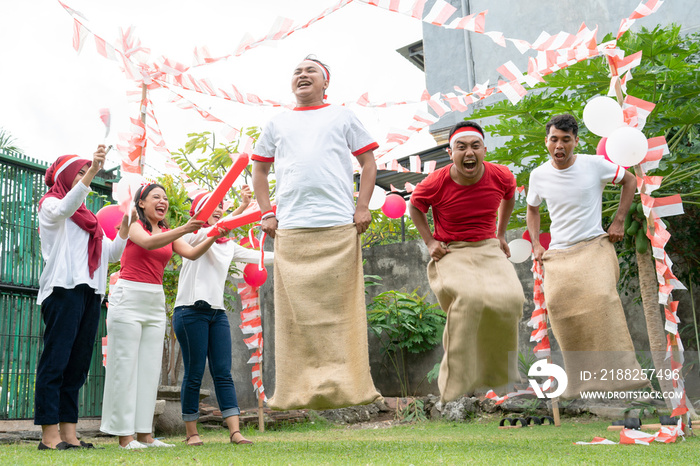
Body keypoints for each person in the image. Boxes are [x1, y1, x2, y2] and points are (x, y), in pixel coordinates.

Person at [251, 56, 381, 410]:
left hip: (339, 224)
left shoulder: (342, 115)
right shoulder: (276, 123)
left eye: (311, 70)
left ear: (326, 82)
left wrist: (362, 205)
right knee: (296, 317)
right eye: (297, 71)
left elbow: (369, 163)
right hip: (291, 229)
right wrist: (267, 212)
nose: (302, 74)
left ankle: (352, 387)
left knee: (343, 313)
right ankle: (294, 392)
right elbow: (259, 171)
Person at [526, 113, 647, 398]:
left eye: (566, 140)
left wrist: (619, 220)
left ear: (576, 141)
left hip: (594, 246)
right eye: (554, 139)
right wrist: (535, 243)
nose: (559, 145)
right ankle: (581, 382)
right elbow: (532, 208)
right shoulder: (538, 174)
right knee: (555, 307)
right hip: (559, 254)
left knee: (602, 298)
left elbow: (629, 180)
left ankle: (622, 375)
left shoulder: (595, 165)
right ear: (546, 142)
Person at [409, 121, 525, 403]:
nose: (469, 152)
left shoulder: (501, 175)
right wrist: (430, 242)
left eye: (475, 146)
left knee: (512, 299)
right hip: (452, 250)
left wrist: (500, 234)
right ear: (451, 152)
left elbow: (509, 197)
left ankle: (502, 381)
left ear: (484, 150)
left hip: (487, 246)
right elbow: (414, 205)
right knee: (470, 300)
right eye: (461, 147)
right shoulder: (436, 181)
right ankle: (452, 391)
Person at [100, 183, 222, 449]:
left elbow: (190, 253)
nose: (162, 201)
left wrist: (214, 234)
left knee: (149, 368)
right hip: (128, 297)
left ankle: (145, 435)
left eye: (165, 198)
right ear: (141, 203)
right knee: (125, 366)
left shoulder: (167, 231)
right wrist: (186, 228)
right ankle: (125, 437)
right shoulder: (133, 223)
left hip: (154, 300)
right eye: (156, 196)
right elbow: (147, 242)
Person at [34, 147, 130, 450]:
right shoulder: (50, 205)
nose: (84, 177)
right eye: (78, 172)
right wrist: (92, 171)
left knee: (77, 365)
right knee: (56, 362)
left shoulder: (92, 220)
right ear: (63, 176)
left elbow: (111, 254)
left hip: (91, 293)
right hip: (63, 290)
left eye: (86, 173)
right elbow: (65, 207)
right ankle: (49, 435)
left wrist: (126, 226)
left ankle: (69, 433)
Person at [173, 186, 273, 446]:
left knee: (223, 372)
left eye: (221, 206)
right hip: (189, 311)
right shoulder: (191, 234)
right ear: (201, 211)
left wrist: (292, 254)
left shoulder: (227, 245)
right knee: (194, 372)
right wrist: (235, 214)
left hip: (216, 314)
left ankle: (235, 432)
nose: (218, 209)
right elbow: (205, 233)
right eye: (212, 206)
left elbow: (259, 256)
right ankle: (191, 433)